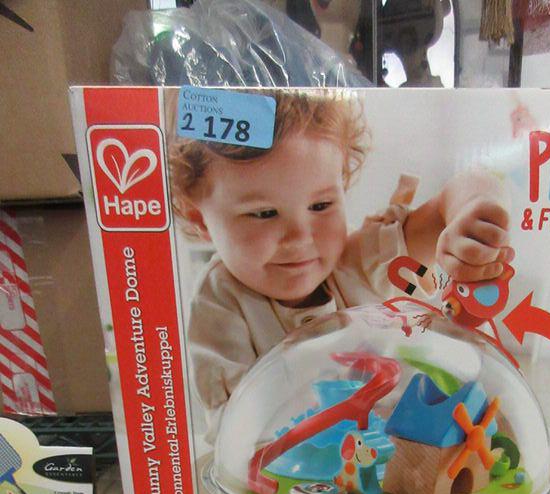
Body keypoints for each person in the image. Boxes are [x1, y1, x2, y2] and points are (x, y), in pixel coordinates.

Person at [167, 88, 513, 440]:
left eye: (320, 206)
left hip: (405, 452)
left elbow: (464, 189)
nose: (300, 238)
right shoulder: (219, 305)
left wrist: (475, 212)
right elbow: (239, 435)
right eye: (264, 213)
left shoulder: (361, 259)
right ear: (199, 219)